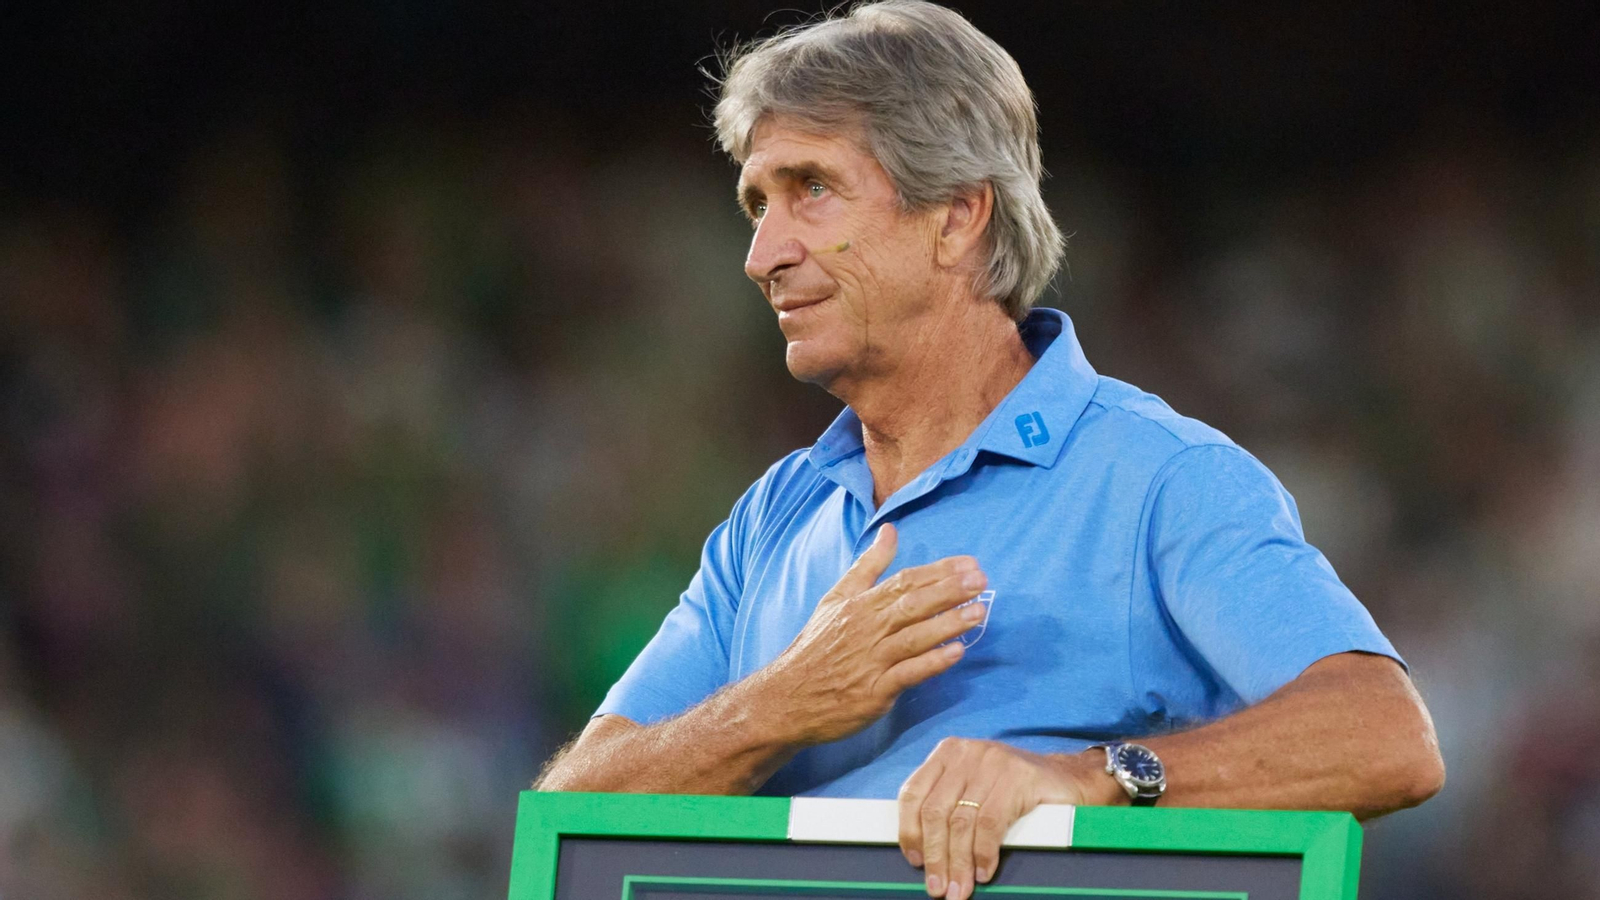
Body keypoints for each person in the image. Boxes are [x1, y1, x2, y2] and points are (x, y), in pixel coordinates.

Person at [534, 2, 1445, 898]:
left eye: (810, 187)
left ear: (959, 214)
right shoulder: (774, 516)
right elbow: (572, 819)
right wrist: (781, 704)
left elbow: (1382, 739)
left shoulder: (1159, 480)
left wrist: (1084, 781)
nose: (762, 252)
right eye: (756, 203)